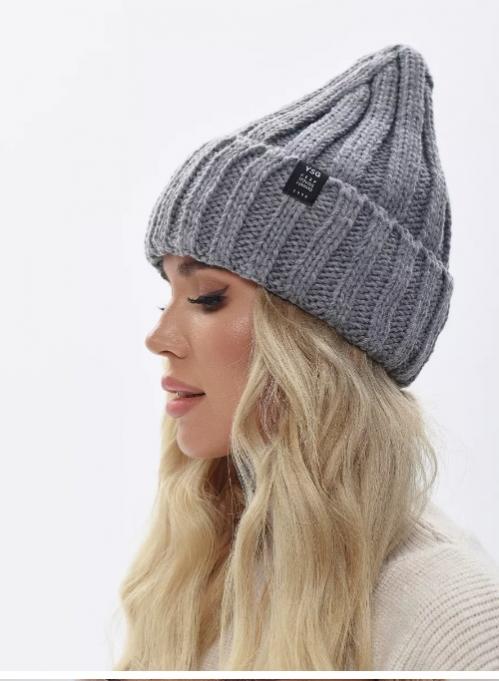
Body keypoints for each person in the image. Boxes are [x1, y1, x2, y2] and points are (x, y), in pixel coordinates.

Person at [112, 44, 499, 671]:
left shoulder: (453, 618)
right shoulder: (200, 565)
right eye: (168, 294)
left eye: (207, 297)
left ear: (318, 342)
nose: (160, 337)